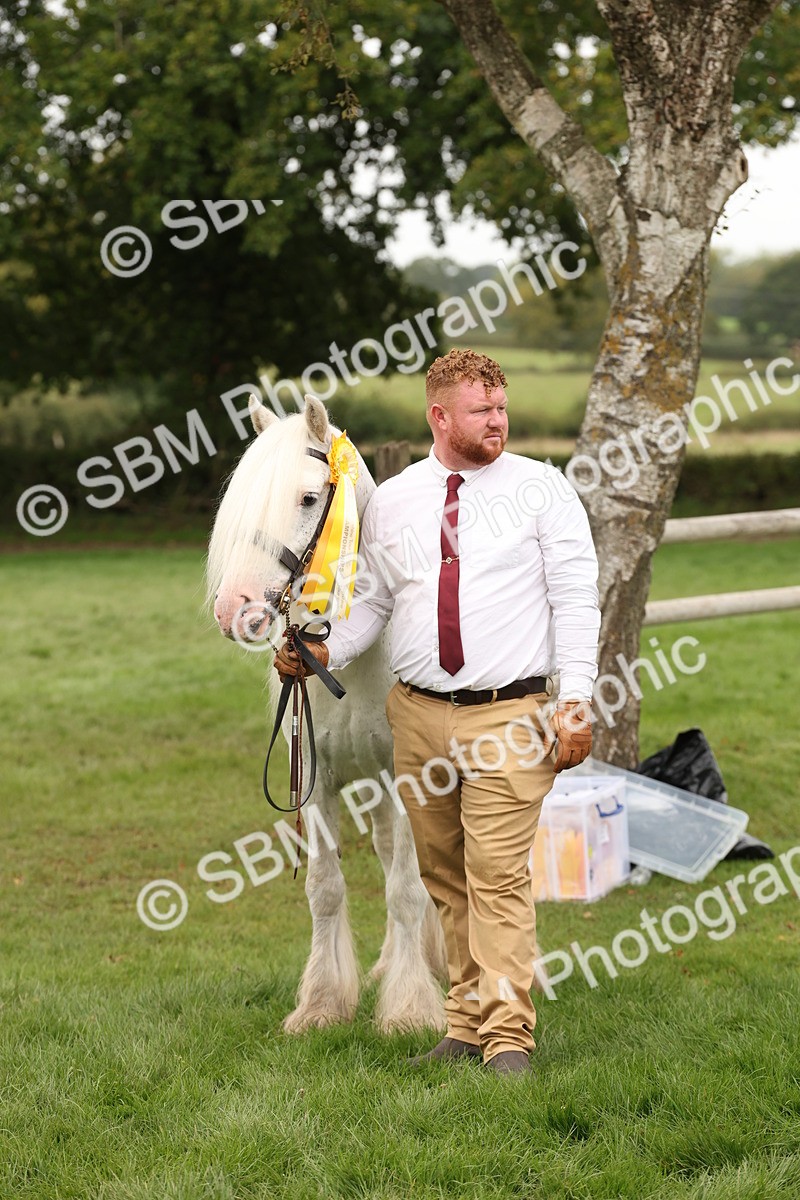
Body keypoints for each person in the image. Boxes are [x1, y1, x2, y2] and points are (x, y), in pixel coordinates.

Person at [275, 348, 600, 1075]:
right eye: (482, 410)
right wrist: (320, 652)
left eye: (502, 407)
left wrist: (576, 700)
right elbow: (376, 607)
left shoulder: (543, 491)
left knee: (496, 874)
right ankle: (463, 1022)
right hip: (417, 716)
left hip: (507, 715)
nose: (498, 421)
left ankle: (509, 1035)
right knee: (445, 876)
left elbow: (577, 599)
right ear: (439, 415)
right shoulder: (396, 500)